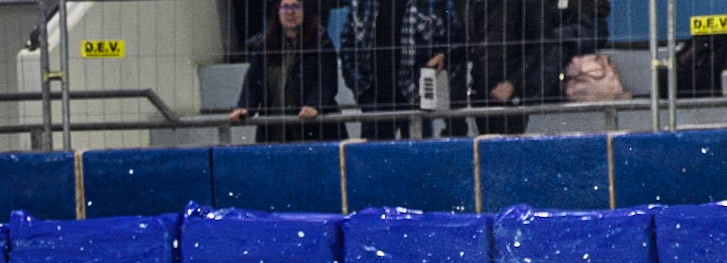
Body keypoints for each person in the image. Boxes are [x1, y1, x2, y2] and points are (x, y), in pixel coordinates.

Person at [339, 0, 462, 139]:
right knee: (375, 157)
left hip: (417, 97)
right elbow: (347, 45)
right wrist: (360, 88)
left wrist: (444, 55)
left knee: (417, 157)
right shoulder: (361, 3)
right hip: (374, 98)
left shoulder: (435, 2)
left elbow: (456, 40)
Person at [229, 0, 347, 143]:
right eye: (285, 6)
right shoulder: (265, 46)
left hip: (316, 131)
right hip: (274, 134)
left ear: (305, 10)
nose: (290, 12)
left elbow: (327, 82)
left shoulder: (322, 43)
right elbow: (253, 83)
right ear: (277, 10)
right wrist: (245, 107)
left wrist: (315, 105)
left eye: (296, 6)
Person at [461, 0, 566, 135]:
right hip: (481, 86)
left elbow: (543, 42)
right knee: (486, 144)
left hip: (512, 89)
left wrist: (513, 82)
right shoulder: (473, 5)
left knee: (507, 144)